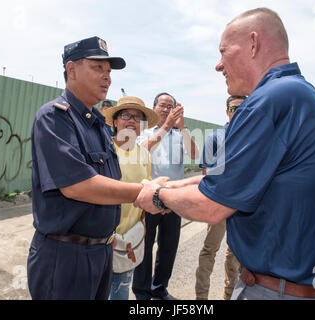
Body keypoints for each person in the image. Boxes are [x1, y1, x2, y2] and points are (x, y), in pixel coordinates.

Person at [134, 8, 315, 300]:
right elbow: (220, 179)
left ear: (253, 43)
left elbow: (211, 205)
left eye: (223, 51)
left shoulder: (269, 101)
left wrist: (158, 196)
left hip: (278, 292)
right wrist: (168, 185)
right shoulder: (296, 95)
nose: (218, 66)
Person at [27, 36, 152, 300]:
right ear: (71, 70)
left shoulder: (96, 125)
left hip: (102, 253)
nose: (107, 77)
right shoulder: (54, 117)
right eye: (98, 68)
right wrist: (147, 192)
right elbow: (77, 185)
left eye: (108, 72)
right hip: (65, 257)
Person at [132, 92, 199, 300]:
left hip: (174, 199)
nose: (167, 109)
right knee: (145, 246)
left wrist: (182, 126)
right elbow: (142, 152)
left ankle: (159, 288)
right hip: (149, 198)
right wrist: (166, 126)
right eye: (163, 105)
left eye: (171, 106)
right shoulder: (144, 133)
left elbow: (195, 155)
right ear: (154, 108)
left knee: (168, 247)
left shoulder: (181, 135)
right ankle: (142, 292)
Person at [103, 96, 159, 300]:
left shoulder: (144, 154)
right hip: (99, 237)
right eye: (126, 115)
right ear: (115, 121)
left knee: (119, 291)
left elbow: (146, 192)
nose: (132, 120)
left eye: (137, 117)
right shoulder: (104, 149)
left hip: (127, 239)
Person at [195, 95, 245, 300]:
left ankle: (229, 296)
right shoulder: (215, 138)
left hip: (242, 206)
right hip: (218, 204)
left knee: (235, 256)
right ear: (227, 111)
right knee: (209, 251)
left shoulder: (252, 138)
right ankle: (201, 299)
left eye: (243, 109)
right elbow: (206, 175)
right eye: (234, 109)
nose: (238, 113)